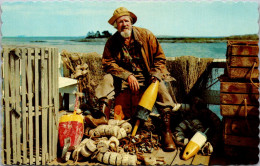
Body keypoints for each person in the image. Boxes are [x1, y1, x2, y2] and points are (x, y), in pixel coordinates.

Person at [85, 7, 177, 151]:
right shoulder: (112, 41)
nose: (124, 24)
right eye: (120, 22)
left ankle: (166, 131)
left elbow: (160, 58)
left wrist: (155, 74)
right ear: (116, 25)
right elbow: (108, 63)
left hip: (147, 77)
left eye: (126, 21)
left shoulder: (146, 35)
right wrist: (127, 75)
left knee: (161, 88)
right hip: (123, 80)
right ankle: (103, 118)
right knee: (108, 79)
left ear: (131, 22)